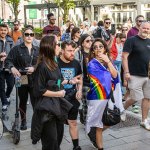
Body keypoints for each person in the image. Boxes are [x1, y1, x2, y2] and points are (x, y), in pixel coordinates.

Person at [31, 35, 70, 150]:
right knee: (51, 142)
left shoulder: (54, 63)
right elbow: (39, 90)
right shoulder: (42, 66)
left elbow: (58, 80)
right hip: (47, 110)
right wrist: (59, 94)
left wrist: (71, 81)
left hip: (56, 107)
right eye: (58, 44)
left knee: (58, 138)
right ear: (50, 47)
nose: (59, 47)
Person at [86, 38, 118, 150]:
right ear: (93, 51)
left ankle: (93, 132)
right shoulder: (91, 64)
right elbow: (104, 78)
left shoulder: (109, 61)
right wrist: (108, 65)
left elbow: (115, 76)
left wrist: (108, 61)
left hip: (109, 98)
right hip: (97, 98)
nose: (98, 49)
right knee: (99, 125)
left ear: (104, 48)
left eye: (100, 46)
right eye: (95, 47)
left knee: (112, 120)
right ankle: (100, 147)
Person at [5, 27, 39, 130]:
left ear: (34, 36)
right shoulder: (17, 48)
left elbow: (42, 63)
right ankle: (23, 121)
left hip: (34, 78)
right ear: (23, 36)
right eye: (27, 34)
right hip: (22, 77)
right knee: (23, 101)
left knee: (35, 101)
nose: (29, 36)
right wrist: (12, 68)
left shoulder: (37, 49)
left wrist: (34, 68)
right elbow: (8, 60)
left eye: (31, 34)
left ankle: (36, 122)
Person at [122, 21, 150, 130]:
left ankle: (144, 121)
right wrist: (126, 72)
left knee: (147, 98)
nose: (146, 30)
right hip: (134, 74)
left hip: (148, 75)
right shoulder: (131, 40)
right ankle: (122, 109)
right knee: (135, 98)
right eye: (144, 28)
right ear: (140, 28)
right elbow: (124, 57)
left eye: (148, 29)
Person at [58, 41, 83, 150]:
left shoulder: (76, 63)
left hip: (72, 97)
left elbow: (79, 78)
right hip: (58, 98)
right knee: (57, 125)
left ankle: (76, 146)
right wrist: (69, 81)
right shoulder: (55, 63)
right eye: (69, 51)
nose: (72, 53)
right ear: (62, 51)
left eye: (73, 50)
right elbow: (55, 81)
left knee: (73, 122)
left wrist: (80, 90)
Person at [74, 34, 93, 124]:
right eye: (87, 41)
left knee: (92, 103)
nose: (90, 43)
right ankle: (87, 122)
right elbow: (76, 69)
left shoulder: (93, 53)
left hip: (94, 82)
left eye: (91, 40)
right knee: (86, 104)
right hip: (84, 82)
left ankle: (83, 114)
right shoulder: (79, 53)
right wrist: (78, 86)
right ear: (82, 43)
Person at [0, 24, 14, 111]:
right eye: (1, 30)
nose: (3, 32)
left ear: (7, 31)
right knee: (1, 87)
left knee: (11, 84)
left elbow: (14, 54)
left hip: (9, 67)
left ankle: (7, 95)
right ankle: (4, 103)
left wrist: (7, 57)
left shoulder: (10, 41)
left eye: (5, 30)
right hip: (0, 68)